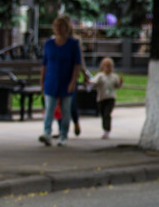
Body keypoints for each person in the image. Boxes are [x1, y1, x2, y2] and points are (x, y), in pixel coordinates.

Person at [39, 15, 81, 147]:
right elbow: (44, 63)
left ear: (66, 28)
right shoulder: (49, 44)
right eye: (56, 26)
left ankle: (63, 135)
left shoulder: (73, 44)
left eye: (61, 26)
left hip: (66, 80)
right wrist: (42, 80)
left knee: (65, 110)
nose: (58, 28)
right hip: (51, 80)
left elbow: (77, 64)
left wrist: (73, 82)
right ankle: (47, 133)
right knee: (49, 108)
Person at [90, 57, 123, 139]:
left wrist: (120, 83)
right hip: (101, 98)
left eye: (110, 66)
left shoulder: (114, 76)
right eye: (107, 66)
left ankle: (107, 130)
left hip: (110, 98)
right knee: (103, 114)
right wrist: (88, 81)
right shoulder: (100, 76)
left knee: (107, 114)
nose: (108, 68)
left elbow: (117, 86)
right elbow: (94, 82)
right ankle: (105, 128)